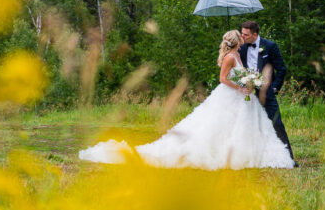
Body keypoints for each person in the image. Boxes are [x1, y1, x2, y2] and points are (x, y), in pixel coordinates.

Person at [78, 30, 295, 170]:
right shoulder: (230, 57)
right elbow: (222, 78)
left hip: (243, 96)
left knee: (242, 125)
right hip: (230, 95)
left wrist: (248, 82)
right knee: (218, 126)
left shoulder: (239, 54)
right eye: (241, 35)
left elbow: (242, 71)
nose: (243, 37)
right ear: (237, 41)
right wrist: (240, 86)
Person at [238, 21, 297, 167]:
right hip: (247, 93)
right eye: (242, 33)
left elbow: (281, 69)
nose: (242, 36)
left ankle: (288, 158)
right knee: (247, 124)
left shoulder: (270, 46)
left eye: (245, 34)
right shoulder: (241, 48)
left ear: (255, 34)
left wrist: (275, 88)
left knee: (276, 123)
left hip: (267, 92)